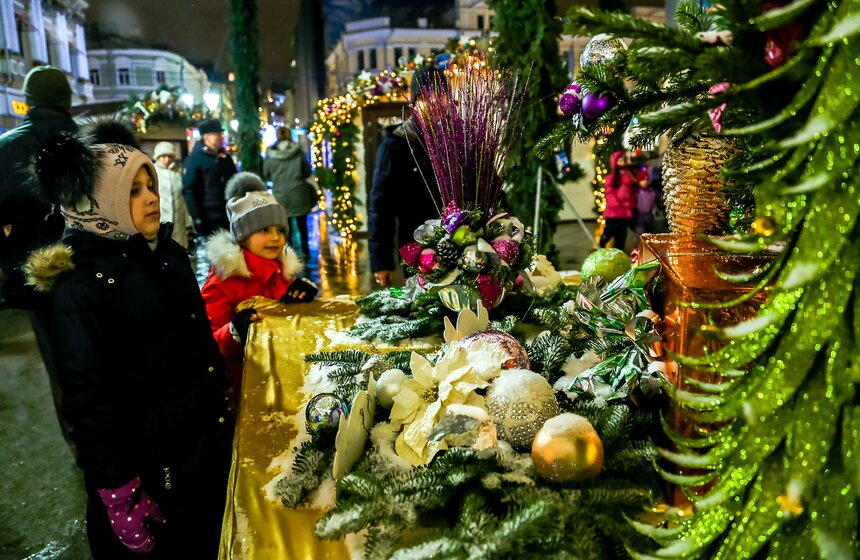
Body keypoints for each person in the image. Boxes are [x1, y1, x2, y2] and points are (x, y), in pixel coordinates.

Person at [23, 132, 233, 559]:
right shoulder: (81, 289)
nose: (151, 198)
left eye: (151, 185)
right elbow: (89, 401)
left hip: (197, 454)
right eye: (133, 191)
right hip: (151, 472)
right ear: (98, 201)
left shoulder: (167, 258)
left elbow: (195, 343)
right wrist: (120, 492)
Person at [0, 65, 77, 452]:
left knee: (60, 365)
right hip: (92, 267)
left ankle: (79, 443)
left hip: (39, 277)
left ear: (28, 102)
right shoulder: (87, 142)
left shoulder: (7, 147)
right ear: (68, 101)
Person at [201, 172, 317, 407]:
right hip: (244, 393)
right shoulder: (222, 282)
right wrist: (234, 331)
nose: (275, 238)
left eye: (280, 230)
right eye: (264, 230)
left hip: (286, 383)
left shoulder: (282, 272)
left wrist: (301, 300)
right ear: (243, 236)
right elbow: (205, 346)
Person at [368, 67, 445, 288]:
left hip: (463, 248)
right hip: (418, 253)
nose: (436, 102)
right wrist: (381, 260)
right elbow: (381, 207)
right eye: (427, 97)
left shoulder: (458, 141)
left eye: (441, 95)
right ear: (414, 103)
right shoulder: (396, 146)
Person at [263, 127, 315, 259]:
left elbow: (266, 174)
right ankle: (305, 252)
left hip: (281, 196)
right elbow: (307, 171)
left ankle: (288, 254)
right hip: (298, 193)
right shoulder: (297, 152)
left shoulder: (270, 154)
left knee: (285, 228)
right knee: (302, 226)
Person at [183, 118, 237, 236]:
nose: (221, 137)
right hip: (207, 218)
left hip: (228, 215)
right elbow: (189, 190)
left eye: (221, 134)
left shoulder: (226, 158)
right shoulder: (195, 159)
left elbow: (235, 182)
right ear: (206, 137)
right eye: (217, 134)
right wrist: (196, 216)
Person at [152, 141, 194, 249]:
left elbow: (182, 197)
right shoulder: (152, 171)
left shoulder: (177, 172)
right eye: (163, 156)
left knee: (179, 250)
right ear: (157, 157)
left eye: (169, 156)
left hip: (178, 220)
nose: (167, 159)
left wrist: (188, 222)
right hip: (160, 219)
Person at [599, 150, 636, 250]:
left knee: (621, 235)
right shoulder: (611, 178)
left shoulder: (627, 175)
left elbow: (631, 190)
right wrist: (615, 203)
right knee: (609, 231)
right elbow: (609, 191)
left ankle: (618, 252)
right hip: (614, 212)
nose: (622, 162)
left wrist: (630, 204)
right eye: (619, 160)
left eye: (623, 160)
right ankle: (601, 246)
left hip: (624, 212)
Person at [634, 164, 657, 236]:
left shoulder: (651, 191)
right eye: (642, 179)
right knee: (640, 234)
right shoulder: (636, 192)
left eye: (647, 179)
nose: (645, 181)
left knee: (649, 234)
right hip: (639, 216)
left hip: (649, 215)